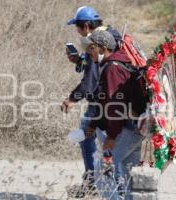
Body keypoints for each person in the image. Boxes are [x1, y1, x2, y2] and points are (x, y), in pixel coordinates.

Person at [62, 6, 121, 198]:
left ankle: (92, 185)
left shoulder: (94, 42)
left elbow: (90, 81)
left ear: (86, 26)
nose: (78, 33)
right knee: (111, 145)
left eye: (78, 28)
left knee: (87, 139)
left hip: (101, 105)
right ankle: (112, 184)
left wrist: (72, 99)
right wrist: (79, 60)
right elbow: (96, 68)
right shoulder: (111, 36)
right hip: (117, 103)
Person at [81, 30, 145, 200]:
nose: (88, 52)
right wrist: (93, 124)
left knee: (102, 173)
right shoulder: (116, 65)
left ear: (102, 48)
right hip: (134, 127)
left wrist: (111, 136)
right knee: (128, 177)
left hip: (125, 130)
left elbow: (115, 106)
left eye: (91, 48)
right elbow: (105, 101)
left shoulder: (113, 69)